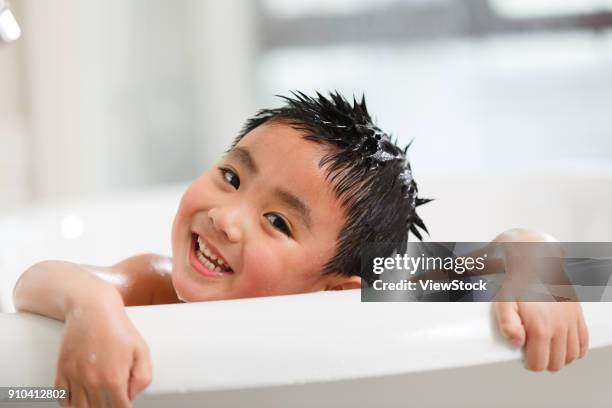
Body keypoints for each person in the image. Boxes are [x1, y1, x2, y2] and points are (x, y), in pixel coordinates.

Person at [13, 91, 589, 408]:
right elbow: (35, 279)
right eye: (232, 178)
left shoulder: (363, 291)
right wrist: (91, 307)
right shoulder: (154, 287)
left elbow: (527, 259)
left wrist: (530, 252)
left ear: (334, 288)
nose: (226, 218)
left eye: (276, 222)